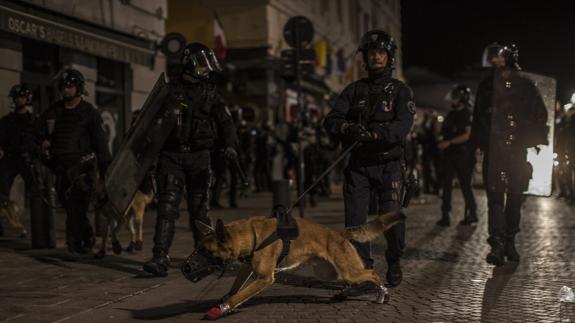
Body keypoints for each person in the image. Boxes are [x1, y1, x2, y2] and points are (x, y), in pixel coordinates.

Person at [323, 29, 415, 287]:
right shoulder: (353, 90)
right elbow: (330, 120)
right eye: (372, 53)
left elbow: (402, 126)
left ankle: (394, 259)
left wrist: (376, 134)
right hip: (359, 166)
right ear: (365, 57)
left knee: (391, 220)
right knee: (355, 224)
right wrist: (347, 128)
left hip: (390, 165)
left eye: (381, 53)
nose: (376, 58)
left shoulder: (400, 91)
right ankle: (362, 273)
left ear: (389, 57)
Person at [143, 42, 238, 277]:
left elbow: (225, 121)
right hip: (171, 156)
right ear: (190, 64)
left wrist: (229, 144)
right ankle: (160, 257)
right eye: (202, 65)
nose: (206, 70)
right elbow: (150, 123)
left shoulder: (211, 93)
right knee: (167, 208)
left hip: (199, 157)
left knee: (199, 211)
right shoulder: (170, 90)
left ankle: (206, 256)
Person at [470, 42, 548, 266]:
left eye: (500, 56)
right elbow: (478, 118)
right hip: (494, 151)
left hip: (516, 151)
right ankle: (497, 244)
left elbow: (540, 114)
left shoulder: (524, 84)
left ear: (509, 58)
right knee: (494, 197)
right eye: (493, 57)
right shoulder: (487, 85)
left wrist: (528, 134)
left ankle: (510, 241)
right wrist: (479, 143)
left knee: (514, 197)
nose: (495, 60)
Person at [39, 69, 111, 254]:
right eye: (63, 86)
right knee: (69, 206)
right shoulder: (54, 110)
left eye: (69, 86)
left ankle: (75, 244)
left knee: (77, 206)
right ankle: (85, 236)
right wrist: (42, 143)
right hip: (60, 167)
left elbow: (101, 143)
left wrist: (105, 172)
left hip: (83, 167)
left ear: (78, 88)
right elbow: (37, 132)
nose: (65, 90)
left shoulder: (89, 113)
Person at [0, 84, 42, 238]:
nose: (18, 100)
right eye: (16, 97)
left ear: (28, 99)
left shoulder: (34, 120)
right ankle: (6, 226)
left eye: (21, 97)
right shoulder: (6, 121)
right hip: (10, 158)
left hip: (27, 159)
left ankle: (39, 229)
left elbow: (39, 140)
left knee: (37, 192)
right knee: (1, 191)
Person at [436, 85, 477, 226]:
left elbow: (467, 134)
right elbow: (443, 131)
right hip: (449, 155)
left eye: (455, 97)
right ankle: (445, 215)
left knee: (465, 185)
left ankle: (472, 214)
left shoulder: (468, 113)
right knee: (446, 186)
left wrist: (449, 142)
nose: (452, 100)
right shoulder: (451, 114)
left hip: (463, 154)